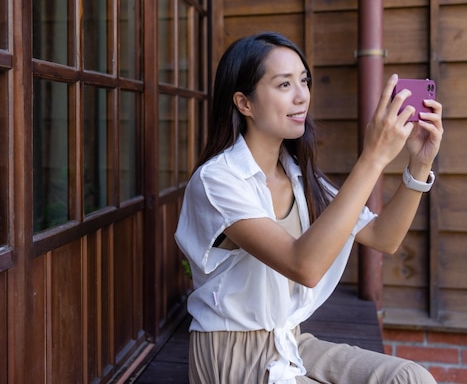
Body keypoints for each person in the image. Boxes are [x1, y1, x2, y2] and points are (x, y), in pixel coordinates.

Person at [175, 31, 442, 383]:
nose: (302, 96)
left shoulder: (298, 176)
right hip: (232, 354)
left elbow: (383, 237)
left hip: (290, 341)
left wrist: (419, 165)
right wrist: (373, 158)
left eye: (304, 81)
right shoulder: (218, 181)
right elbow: (305, 265)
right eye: (284, 85)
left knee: (411, 377)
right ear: (245, 103)